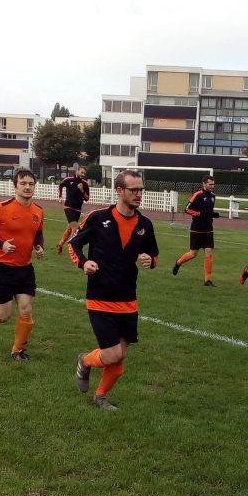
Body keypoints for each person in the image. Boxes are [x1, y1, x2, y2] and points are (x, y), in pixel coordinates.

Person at [69, 169, 158, 411]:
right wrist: (83, 262)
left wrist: (151, 260)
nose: (139, 194)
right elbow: (74, 244)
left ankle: (100, 396)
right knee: (110, 355)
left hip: (128, 299)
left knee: (120, 358)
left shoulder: (145, 225)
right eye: (134, 190)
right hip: (100, 297)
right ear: (120, 191)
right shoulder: (98, 218)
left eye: (141, 190)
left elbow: (154, 253)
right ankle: (85, 361)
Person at [0, 169, 45, 360]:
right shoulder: (1, 208)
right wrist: (1, 244)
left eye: (31, 183)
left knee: (26, 309)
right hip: (2, 269)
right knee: (2, 315)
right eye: (23, 183)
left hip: (25, 269)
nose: (28, 187)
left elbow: (38, 232)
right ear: (15, 186)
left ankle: (18, 350)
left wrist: (39, 246)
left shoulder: (38, 211)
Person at [171, 175, 220, 286]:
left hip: (208, 230)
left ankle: (207, 280)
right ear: (204, 184)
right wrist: (199, 214)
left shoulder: (213, 196)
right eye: (210, 184)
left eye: (213, 184)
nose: (212, 186)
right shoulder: (197, 195)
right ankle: (178, 263)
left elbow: (208, 211)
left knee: (209, 253)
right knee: (193, 254)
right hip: (197, 230)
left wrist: (213, 214)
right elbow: (187, 209)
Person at [56, 166, 90, 254]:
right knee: (75, 227)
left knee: (70, 229)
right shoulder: (68, 180)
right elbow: (60, 186)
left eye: (84, 173)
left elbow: (87, 198)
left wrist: (82, 190)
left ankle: (60, 244)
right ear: (77, 171)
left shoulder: (85, 184)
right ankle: (71, 245)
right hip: (68, 207)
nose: (83, 175)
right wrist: (60, 196)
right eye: (82, 172)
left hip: (78, 209)